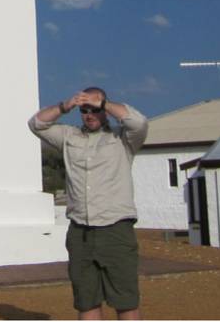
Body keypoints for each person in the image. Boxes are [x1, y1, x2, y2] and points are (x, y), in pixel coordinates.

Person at [30, 87, 149, 321]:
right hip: (80, 231)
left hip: (115, 229)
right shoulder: (69, 137)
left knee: (125, 301)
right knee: (86, 301)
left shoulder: (122, 139)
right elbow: (36, 124)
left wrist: (103, 103)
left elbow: (139, 123)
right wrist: (66, 105)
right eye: (85, 110)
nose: (89, 114)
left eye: (94, 109)